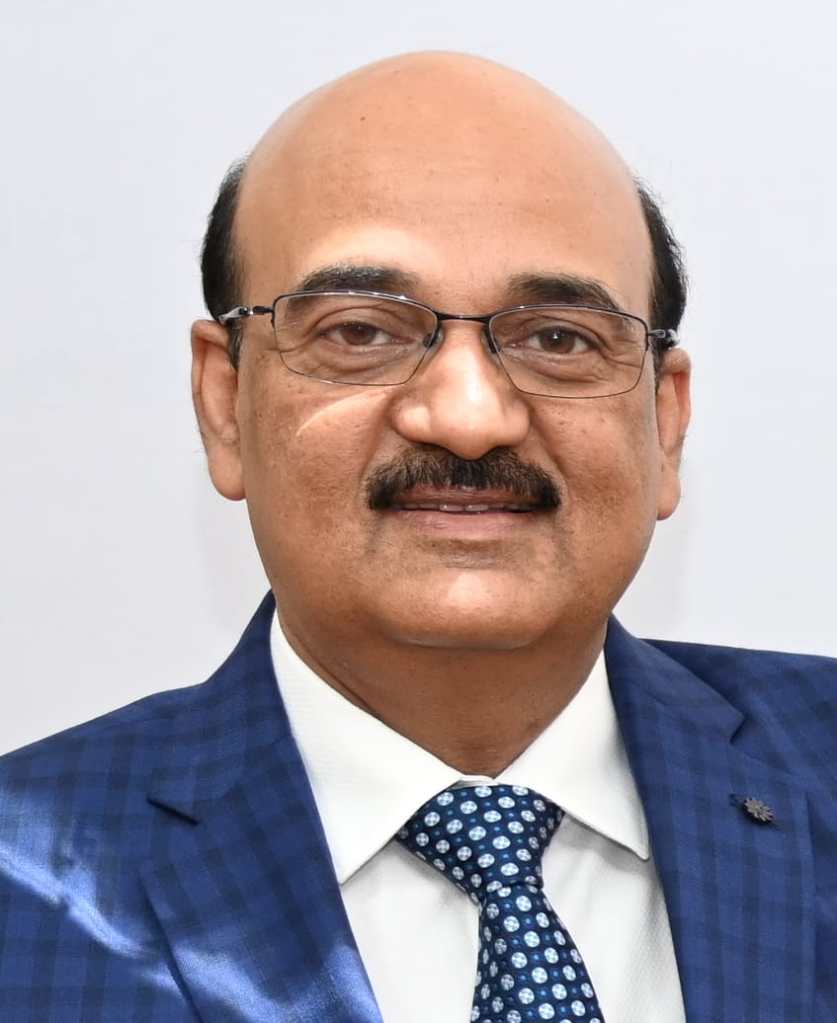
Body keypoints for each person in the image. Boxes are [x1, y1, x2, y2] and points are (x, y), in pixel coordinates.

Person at [0, 51, 834, 1023]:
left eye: (558, 338)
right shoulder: (27, 885)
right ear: (224, 402)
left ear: (666, 421)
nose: (469, 417)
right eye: (360, 332)